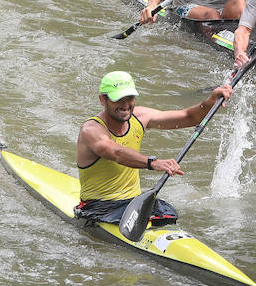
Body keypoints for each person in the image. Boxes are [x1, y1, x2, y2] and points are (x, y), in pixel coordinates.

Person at [75, 70, 232, 224]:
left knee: (167, 215)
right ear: (103, 100)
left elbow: (189, 117)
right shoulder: (91, 130)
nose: (125, 105)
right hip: (98, 206)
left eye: (129, 98)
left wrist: (210, 102)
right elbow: (116, 152)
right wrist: (152, 162)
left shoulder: (140, 117)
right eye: (119, 99)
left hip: (132, 203)